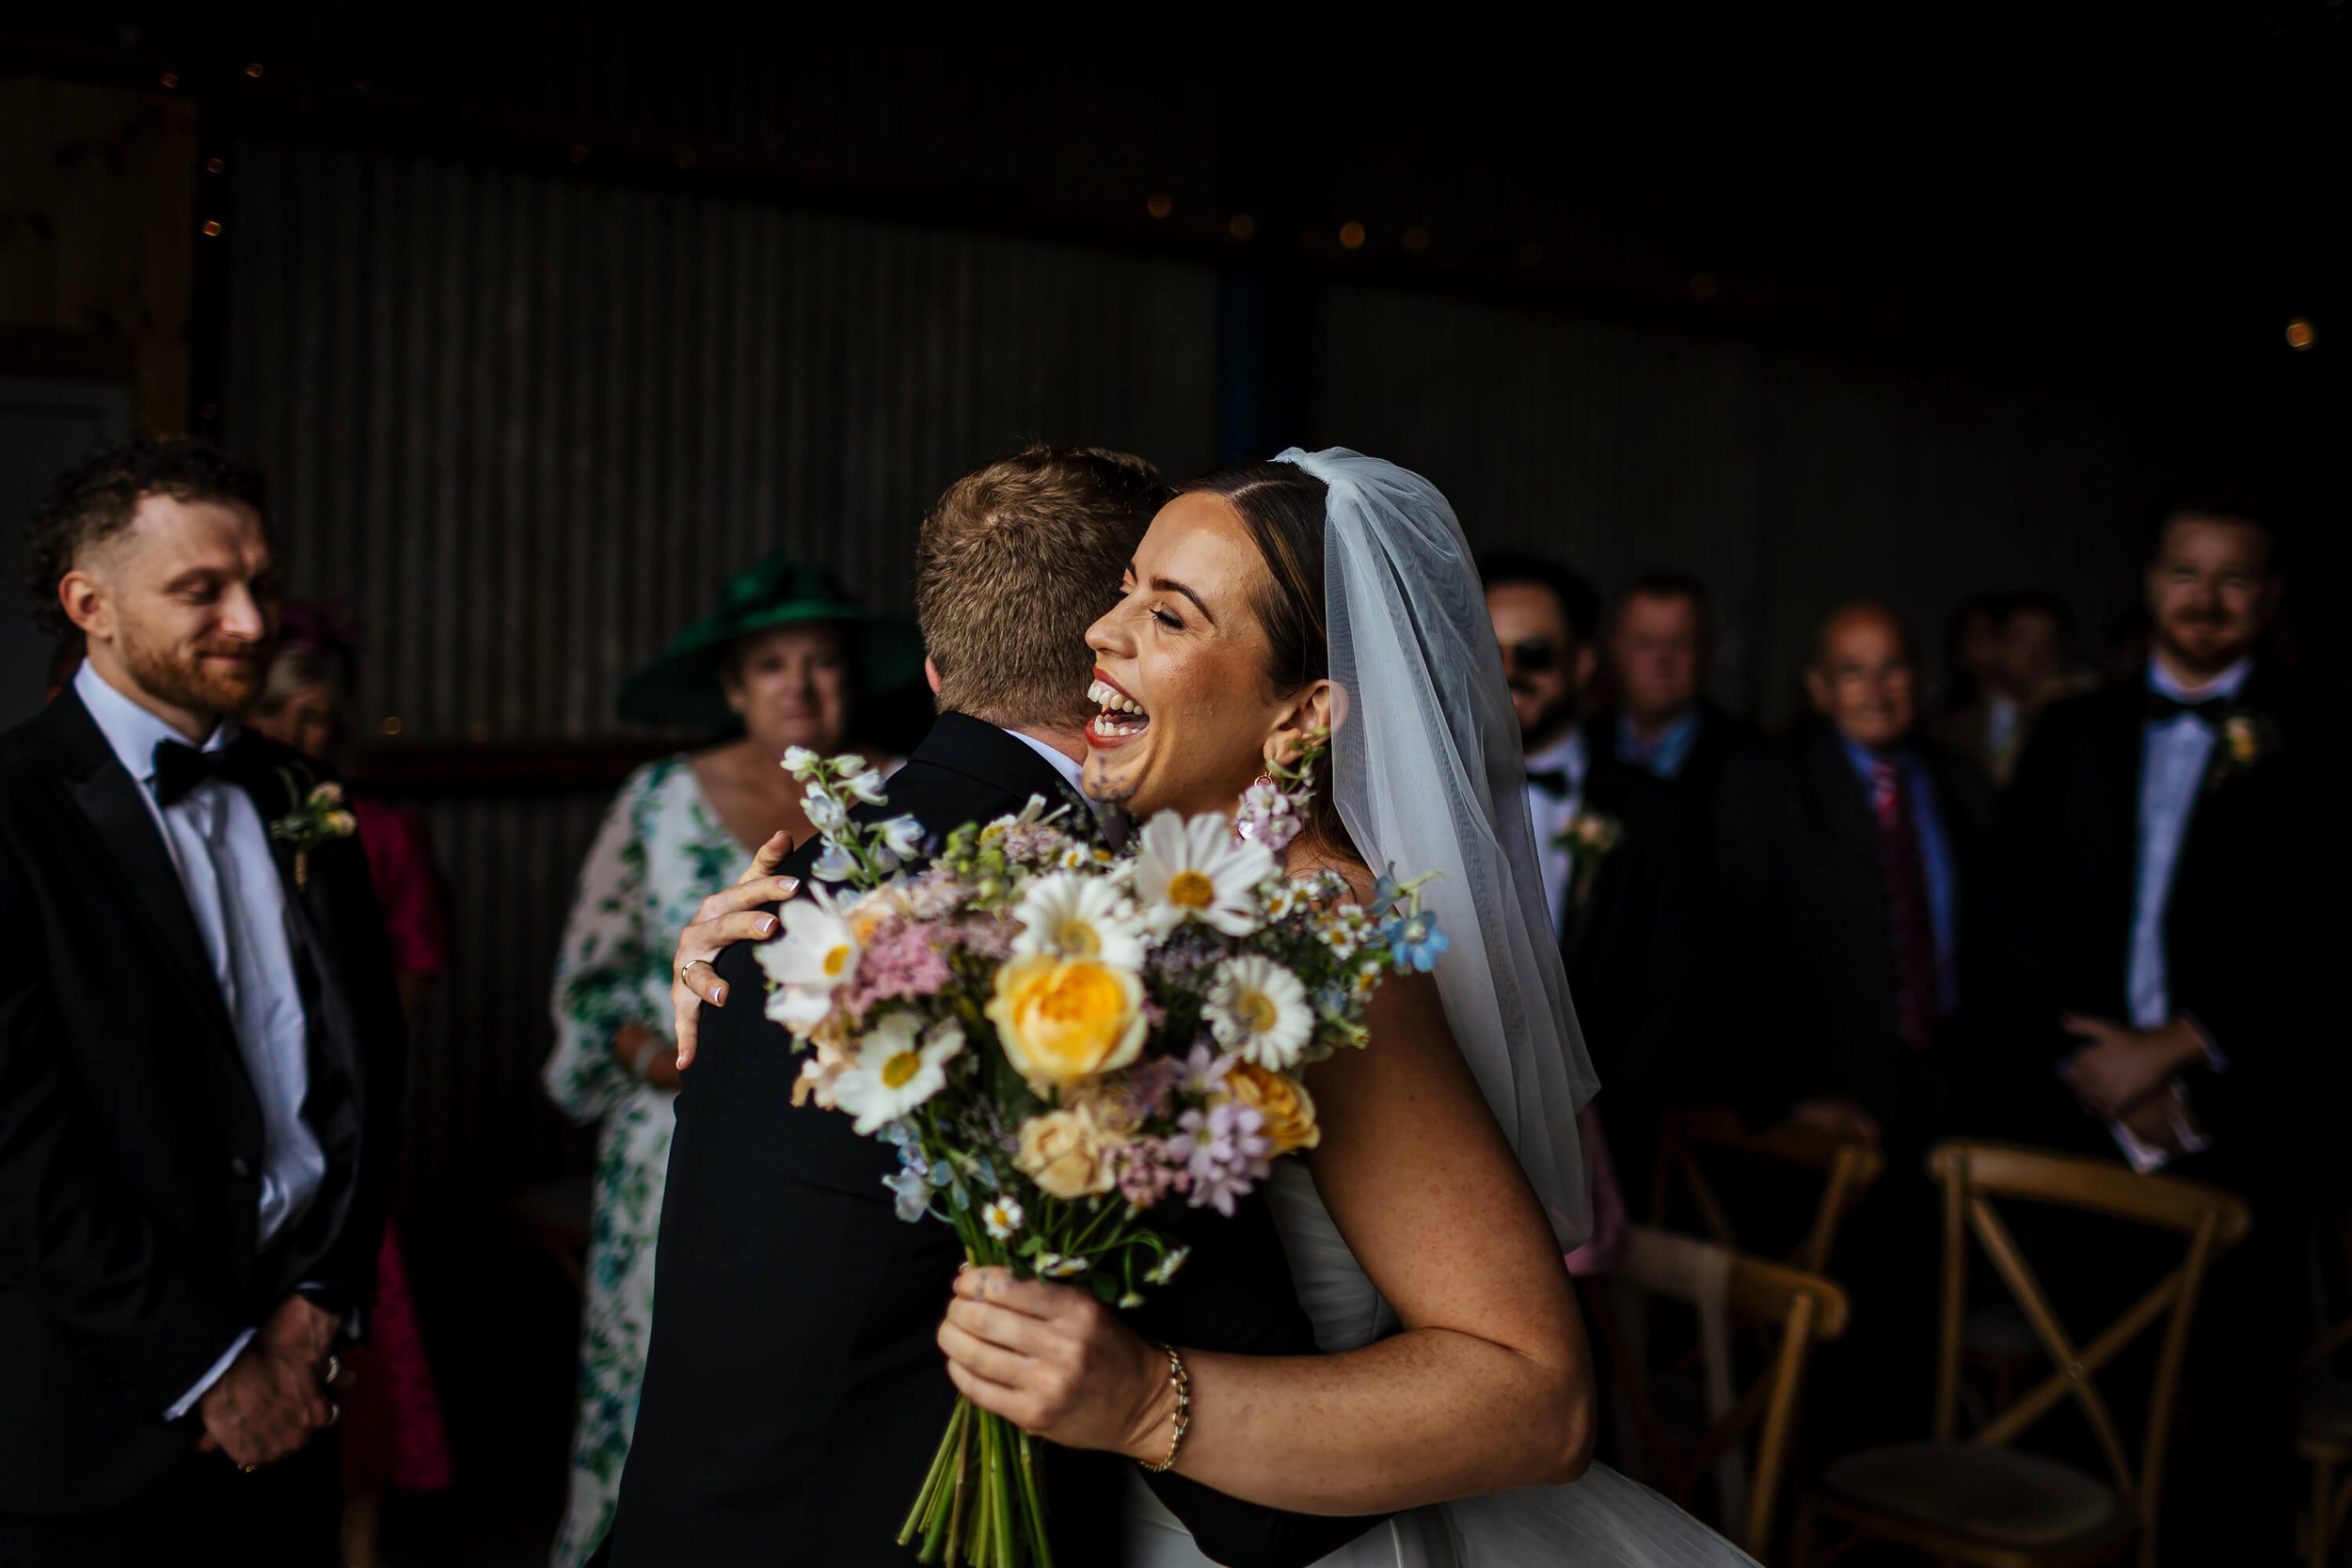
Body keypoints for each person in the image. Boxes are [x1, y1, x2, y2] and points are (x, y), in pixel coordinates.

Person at [933, 451, 1750, 1563]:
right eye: (1123, 587)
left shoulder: (1323, 947)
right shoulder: (1127, 886)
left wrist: (1139, 1402)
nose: (1100, 632)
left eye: (1167, 615)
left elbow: (1536, 1397)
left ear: (1302, 713)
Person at [610, 447, 1383, 1568]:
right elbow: (1262, 1507)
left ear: (935, 671)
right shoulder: (1088, 943)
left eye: (1165, 610)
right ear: (1106, 664)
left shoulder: (791, 894)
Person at [0, 436, 404, 1562]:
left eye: (261, 582)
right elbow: (21, 1157)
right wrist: (217, 1368)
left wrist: (322, 1292)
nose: (250, 620)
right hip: (90, 1435)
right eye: (201, 591)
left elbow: (368, 1070)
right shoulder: (15, 808)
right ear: (93, 604)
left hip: (297, 1390)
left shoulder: (300, 790)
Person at [546, 552, 920, 1567]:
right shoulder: (658, 801)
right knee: (665, 1383)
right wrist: (652, 1049)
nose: (799, 683)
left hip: (858, 1153)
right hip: (671, 1149)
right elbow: (588, 984)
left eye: (823, 660)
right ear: (730, 685)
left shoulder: (903, 794)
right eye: (770, 664)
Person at [1991, 497, 2344, 1562]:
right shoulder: (2070, 727)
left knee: (2231, 1413)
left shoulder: (2317, 739)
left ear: (2269, 596)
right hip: (2075, 1113)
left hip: (2238, 1123)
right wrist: (2097, 1064)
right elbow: (2007, 915)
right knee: (2078, 1392)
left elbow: (2327, 943)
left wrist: (2181, 1044)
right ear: (2148, 586)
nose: (2206, 598)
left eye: (2233, 577)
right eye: (2186, 573)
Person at [245, 607, 455, 1566]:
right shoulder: (213, 822)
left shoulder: (374, 831)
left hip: (347, 1121)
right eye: (274, 709)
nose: (298, 731)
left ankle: (359, 1537)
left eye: (320, 714)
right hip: (235, 1130)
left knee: (361, 1336)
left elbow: (402, 989)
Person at [1715, 605, 1991, 1151]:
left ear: (1920, 677)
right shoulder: (1763, 781)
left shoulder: (1962, 784)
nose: (1877, 690)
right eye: (1852, 672)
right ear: (1819, 687)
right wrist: (1791, 1094)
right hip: (1826, 1098)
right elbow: (1734, 951)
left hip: (1954, 1089)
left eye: (1893, 668)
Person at [1481, 548, 1704, 1204]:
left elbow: (1677, 991)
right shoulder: (1417, 795)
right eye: (1488, 650)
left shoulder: (1655, 812)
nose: (1510, 672)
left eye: (1537, 653)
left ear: (1582, 663)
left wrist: (1590, 1118)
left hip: (1598, 1152)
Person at [1587, 570, 1759, 808]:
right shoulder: (1580, 745)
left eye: (1679, 643)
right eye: (1644, 643)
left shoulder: (1753, 759)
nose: (1663, 660)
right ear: (1613, 649)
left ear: (1706, 652)